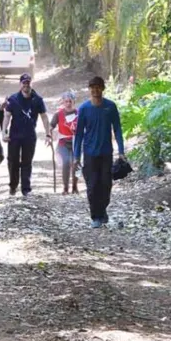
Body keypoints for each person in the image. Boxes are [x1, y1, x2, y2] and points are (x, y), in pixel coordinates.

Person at [73, 76, 126, 228]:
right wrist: (77, 156)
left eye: (98, 87)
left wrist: (121, 151)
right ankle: (95, 216)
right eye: (92, 87)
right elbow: (79, 134)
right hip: (89, 153)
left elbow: (117, 129)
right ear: (89, 90)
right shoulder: (84, 109)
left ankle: (102, 210)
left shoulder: (110, 107)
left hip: (106, 153)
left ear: (103, 88)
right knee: (92, 186)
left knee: (106, 185)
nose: (95, 90)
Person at [2, 72, 51, 197]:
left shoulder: (38, 99)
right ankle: (13, 186)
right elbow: (7, 116)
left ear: (31, 83)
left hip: (29, 136)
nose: (26, 85)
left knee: (27, 162)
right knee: (12, 161)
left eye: (28, 83)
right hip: (14, 136)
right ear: (20, 84)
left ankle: (26, 189)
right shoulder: (13, 99)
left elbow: (44, 117)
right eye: (24, 83)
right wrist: (3, 132)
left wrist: (48, 134)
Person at [50, 90, 79, 195]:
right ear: (63, 102)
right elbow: (51, 125)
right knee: (66, 162)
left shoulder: (79, 113)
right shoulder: (59, 114)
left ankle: (75, 186)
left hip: (76, 143)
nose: (68, 103)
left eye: (70, 101)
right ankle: (66, 188)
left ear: (73, 102)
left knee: (76, 164)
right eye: (66, 101)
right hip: (63, 143)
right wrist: (49, 135)